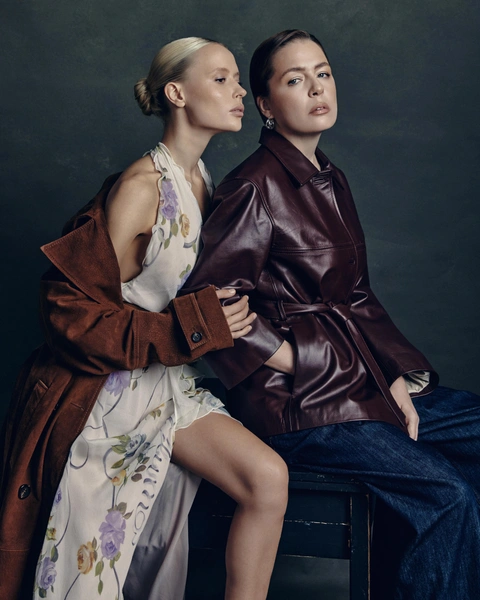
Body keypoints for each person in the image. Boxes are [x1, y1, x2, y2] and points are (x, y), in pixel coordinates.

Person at [182, 30, 480, 599]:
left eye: (323, 73)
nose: (317, 88)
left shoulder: (329, 177)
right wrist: (300, 361)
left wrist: (394, 376)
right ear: (266, 105)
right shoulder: (253, 187)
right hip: (299, 404)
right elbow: (208, 305)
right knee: (446, 496)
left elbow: (358, 296)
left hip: (356, 380)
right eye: (296, 80)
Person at [0, 37, 288, 600]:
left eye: (237, 79)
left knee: (267, 478)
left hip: (171, 384)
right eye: (222, 79)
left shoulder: (203, 180)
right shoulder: (140, 188)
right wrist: (193, 326)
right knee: (88, 573)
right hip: (112, 393)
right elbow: (73, 312)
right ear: (177, 93)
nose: (239, 92)